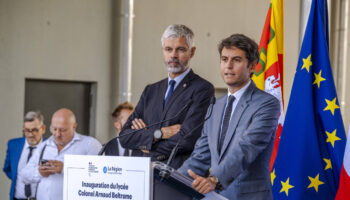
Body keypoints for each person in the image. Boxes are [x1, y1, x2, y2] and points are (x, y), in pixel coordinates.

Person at [178, 34, 280, 200]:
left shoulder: (267, 104)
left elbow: (247, 148)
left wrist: (214, 179)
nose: (228, 66)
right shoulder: (215, 106)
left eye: (237, 60)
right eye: (224, 59)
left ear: (252, 66)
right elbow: (200, 156)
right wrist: (169, 180)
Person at [119, 24, 214, 169]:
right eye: (168, 49)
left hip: (177, 175)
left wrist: (148, 144)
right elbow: (125, 137)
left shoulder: (202, 89)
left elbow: (187, 140)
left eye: (180, 49)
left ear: (192, 52)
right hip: (143, 174)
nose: (173, 55)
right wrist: (159, 134)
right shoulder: (151, 90)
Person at [19, 108, 102, 200]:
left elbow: (100, 176)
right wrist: (39, 172)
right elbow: (24, 176)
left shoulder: (90, 145)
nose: (57, 134)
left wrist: (65, 169)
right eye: (54, 129)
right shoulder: (44, 146)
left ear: (74, 126)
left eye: (63, 130)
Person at [3, 111, 46, 200]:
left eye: (34, 130)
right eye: (27, 130)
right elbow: (7, 168)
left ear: (43, 129)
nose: (30, 134)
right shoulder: (13, 145)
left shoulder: (50, 147)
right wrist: (19, 179)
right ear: (23, 128)